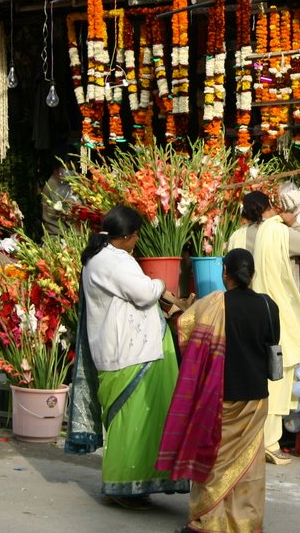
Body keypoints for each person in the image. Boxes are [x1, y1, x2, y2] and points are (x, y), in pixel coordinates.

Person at [65, 205, 189, 508]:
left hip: (124, 350)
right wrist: (160, 284)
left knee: (141, 420)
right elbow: (144, 293)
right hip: (129, 353)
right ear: (128, 236)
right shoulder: (115, 261)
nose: (137, 242)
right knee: (131, 421)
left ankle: (135, 483)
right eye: (136, 237)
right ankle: (122, 486)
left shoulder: (99, 257)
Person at [157, 248, 279, 533]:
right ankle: (244, 523)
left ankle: (207, 521)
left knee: (213, 456)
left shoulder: (213, 304)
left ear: (225, 273)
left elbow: (186, 333)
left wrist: (174, 310)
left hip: (219, 394)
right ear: (253, 274)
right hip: (255, 396)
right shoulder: (267, 305)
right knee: (248, 465)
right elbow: (272, 342)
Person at [226, 190, 300, 466]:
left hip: (240, 314)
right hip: (272, 314)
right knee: (277, 377)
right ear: (270, 207)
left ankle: (246, 440)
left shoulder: (235, 237)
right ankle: (269, 443)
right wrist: (294, 223)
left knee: (248, 375)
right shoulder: (280, 233)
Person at [41, 160, 79, 239]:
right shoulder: (51, 186)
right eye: (67, 167)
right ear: (56, 169)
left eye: (72, 167)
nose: (70, 170)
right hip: (57, 235)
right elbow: (62, 211)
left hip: (76, 235)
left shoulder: (73, 183)